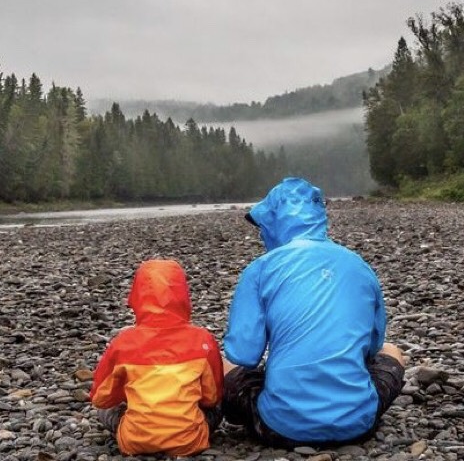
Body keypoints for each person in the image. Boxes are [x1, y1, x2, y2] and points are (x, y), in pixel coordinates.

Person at [222, 177, 407, 448]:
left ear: (273, 223)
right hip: (357, 424)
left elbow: (243, 355)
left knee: (223, 364)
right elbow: (373, 346)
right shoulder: (359, 265)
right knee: (392, 351)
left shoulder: (260, 269)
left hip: (280, 428)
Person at [89, 259, 224, 457]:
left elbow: (100, 398)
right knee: (219, 403)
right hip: (190, 440)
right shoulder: (202, 339)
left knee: (106, 411)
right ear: (183, 295)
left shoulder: (123, 342)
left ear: (137, 295)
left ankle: (143, 429)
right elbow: (211, 398)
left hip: (135, 440)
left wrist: (134, 394)